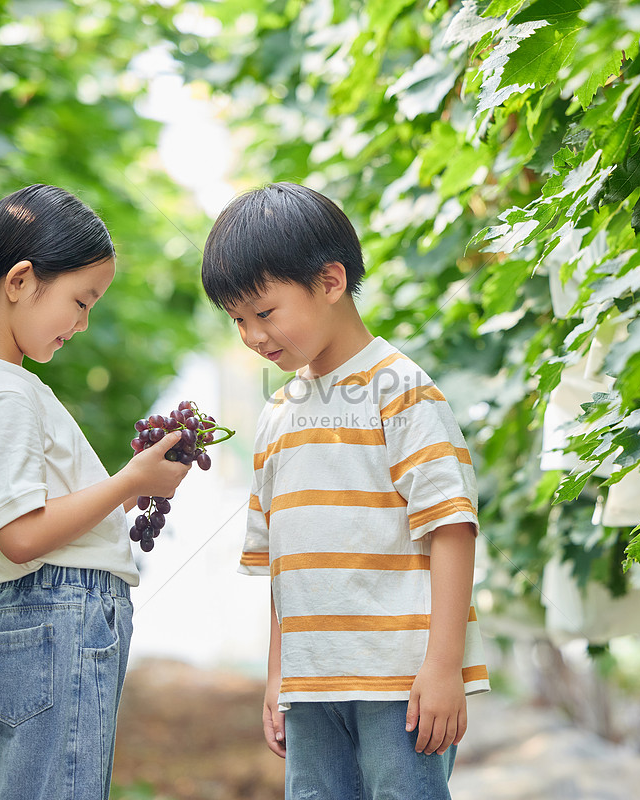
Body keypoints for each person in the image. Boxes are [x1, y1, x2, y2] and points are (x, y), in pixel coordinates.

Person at [201, 182, 489, 799]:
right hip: (312, 689)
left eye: (265, 312)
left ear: (330, 282)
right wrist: (279, 675)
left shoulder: (401, 391)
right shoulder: (277, 414)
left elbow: (452, 528)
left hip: (400, 685)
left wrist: (444, 668)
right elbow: (284, 564)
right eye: (238, 320)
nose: (252, 336)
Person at [0, 184, 191, 800]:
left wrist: (125, 490)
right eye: (80, 302)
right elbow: (23, 535)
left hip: (35, 620)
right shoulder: (3, 392)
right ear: (22, 280)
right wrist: (129, 481)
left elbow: (41, 517)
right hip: (54, 616)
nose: (81, 324)